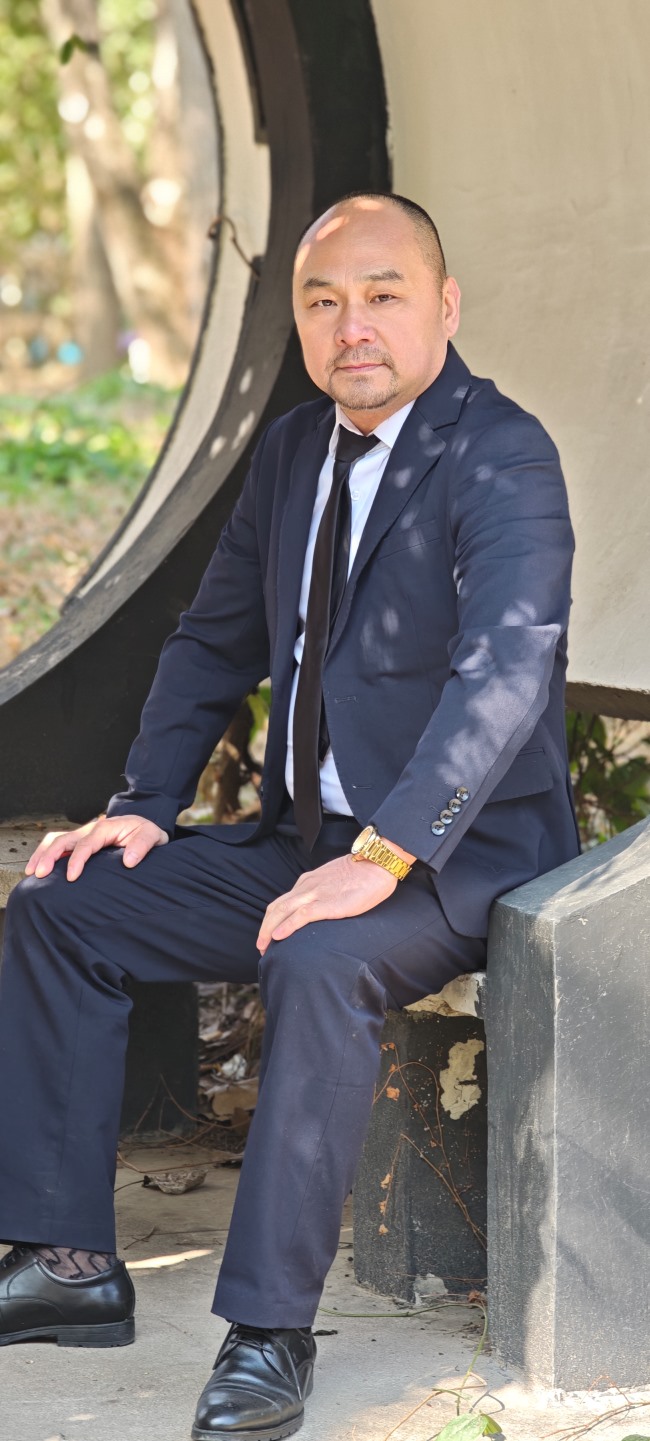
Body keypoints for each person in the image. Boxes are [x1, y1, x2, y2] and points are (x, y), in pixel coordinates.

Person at [0, 193, 580, 1439]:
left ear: (443, 307)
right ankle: (66, 1261)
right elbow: (212, 640)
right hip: (302, 842)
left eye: (380, 294)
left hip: (453, 860)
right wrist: (142, 805)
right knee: (61, 904)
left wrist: (386, 850)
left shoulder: (501, 454)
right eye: (322, 300)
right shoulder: (287, 454)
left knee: (317, 959)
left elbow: (504, 669)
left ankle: (268, 1335)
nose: (349, 323)